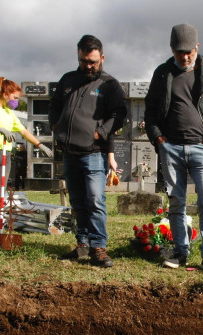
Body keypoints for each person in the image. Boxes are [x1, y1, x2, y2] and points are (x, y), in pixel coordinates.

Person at [144, 24, 203, 274]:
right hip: (170, 148)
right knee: (176, 202)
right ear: (171, 49)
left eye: (189, 52)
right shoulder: (162, 73)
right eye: (179, 52)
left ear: (198, 47)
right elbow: (150, 109)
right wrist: (158, 139)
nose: (184, 57)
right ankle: (180, 252)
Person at [49, 34, 128, 267]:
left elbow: (119, 115)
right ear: (78, 56)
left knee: (95, 200)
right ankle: (82, 245)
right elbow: (55, 106)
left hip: (94, 153)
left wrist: (99, 134)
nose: (89, 66)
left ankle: (99, 247)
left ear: (102, 57)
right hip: (69, 152)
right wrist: (56, 127)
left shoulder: (109, 84)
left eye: (93, 61)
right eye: (85, 61)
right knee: (78, 201)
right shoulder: (68, 80)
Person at [0, 77, 51, 240]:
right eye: (14, 98)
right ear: (5, 93)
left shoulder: (8, 113)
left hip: (3, 153)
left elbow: (23, 132)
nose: (16, 101)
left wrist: (40, 145)